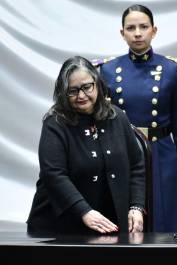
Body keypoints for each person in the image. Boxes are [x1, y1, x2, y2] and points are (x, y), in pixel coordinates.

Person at [96, 4, 177, 232]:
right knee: (124, 226)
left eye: (144, 26)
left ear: (154, 30)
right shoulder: (109, 70)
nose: (138, 33)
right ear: (122, 33)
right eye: (131, 28)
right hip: (123, 154)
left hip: (161, 155)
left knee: (166, 228)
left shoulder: (170, 68)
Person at [27, 56, 145, 235]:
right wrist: (84, 211)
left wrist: (136, 206)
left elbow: (137, 165)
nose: (81, 95)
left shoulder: (117, 117)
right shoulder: (55, 122)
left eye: (86, 87)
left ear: (97, 83)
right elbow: (54, 174)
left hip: (111, 225)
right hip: (59, 228)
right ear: (63, 92)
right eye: (72, 90)